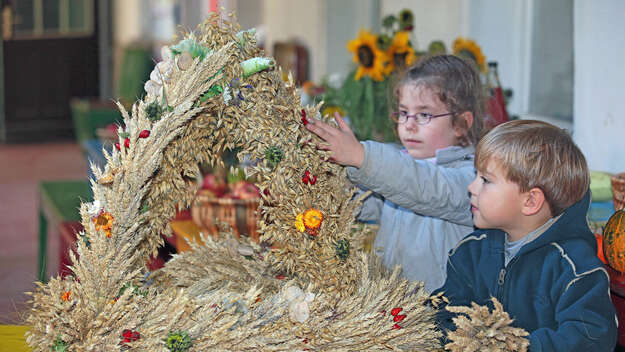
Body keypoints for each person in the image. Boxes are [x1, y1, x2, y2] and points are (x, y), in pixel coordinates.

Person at [305, 55, 484, 292]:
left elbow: (422, 187)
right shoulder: (402, 167)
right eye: (403, 113)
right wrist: (326, 182)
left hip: (439, 316)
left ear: (461, 123)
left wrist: (361, 156)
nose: (409, 125)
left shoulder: (473, 178)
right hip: (392, 307)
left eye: (424, 115)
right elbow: (367, 203)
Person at [435, 120, 617, 350]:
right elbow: (445, 308)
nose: (471, 187)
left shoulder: (574, 269)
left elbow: (591, 339)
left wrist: (515, 346)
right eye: (476, 176)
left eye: (485, 180)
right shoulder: (471, 250)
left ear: (530, 201)